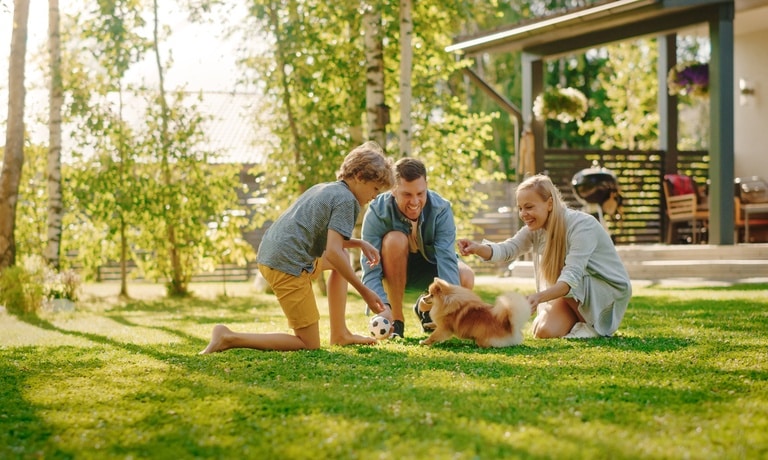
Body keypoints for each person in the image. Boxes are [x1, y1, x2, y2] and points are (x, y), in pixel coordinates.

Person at [199, 141, 395, 354]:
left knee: (343, 258)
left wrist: (357, 242)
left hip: (274, 255)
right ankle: (228, 337)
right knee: (308, 343)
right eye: (375, 188)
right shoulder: (348, 201)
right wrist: (364, 291)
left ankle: (340, 334)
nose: (375, 195)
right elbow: (332, 251)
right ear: (359, 177)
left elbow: (325, 239)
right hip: (287, 264)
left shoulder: (327, 189)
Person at [457, 174, 631, 339]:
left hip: (605, 290)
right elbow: (508, 249)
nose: (523, 214)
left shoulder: (582, 226)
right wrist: (477, 248)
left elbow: (571, 278)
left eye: (529, 207)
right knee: (543, 331)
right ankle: (580, 323)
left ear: (549, 203)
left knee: (564, 275)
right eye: (520, 208)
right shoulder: (536, 229)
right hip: (573, 293)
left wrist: (538, 297)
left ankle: (594, 328)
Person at [360, 158, 475, 339]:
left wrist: (451, 312)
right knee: (395, 240)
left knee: (466, 276)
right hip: (392, 271)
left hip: (430, 267)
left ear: (427, 186)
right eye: (407, 194)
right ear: (393, 189)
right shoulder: (377, 211)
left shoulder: (441, 209)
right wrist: (383, 307)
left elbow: (446, 259)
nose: (415, 202)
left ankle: (426, 311)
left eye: (420, 193)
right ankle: (397, 322)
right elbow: (370, 268)